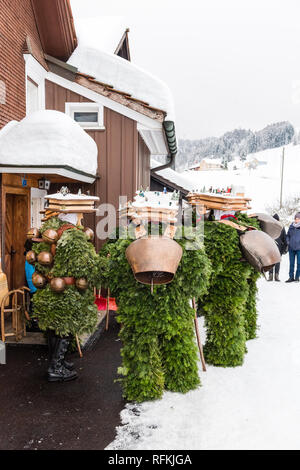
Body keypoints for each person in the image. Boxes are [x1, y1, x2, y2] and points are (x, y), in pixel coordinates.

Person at [268, 214, 288, 282]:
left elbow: (284, 238)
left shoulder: (281, 227)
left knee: (276, 261)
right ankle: (271, 275)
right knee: (271, 261)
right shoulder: (270, 226)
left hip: (279, 247)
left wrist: (285, 247)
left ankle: (276, 275)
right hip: (271, 246)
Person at [286, 212, 300, 283]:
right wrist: (288, 241)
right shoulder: (291, 226)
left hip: (299, 249)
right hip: (291, 248)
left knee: (299, 263)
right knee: (291, 263)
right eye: (295, 218)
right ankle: (291, 277)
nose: (296, 220)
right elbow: (287, 235)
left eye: (298, 219)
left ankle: (297, 277)